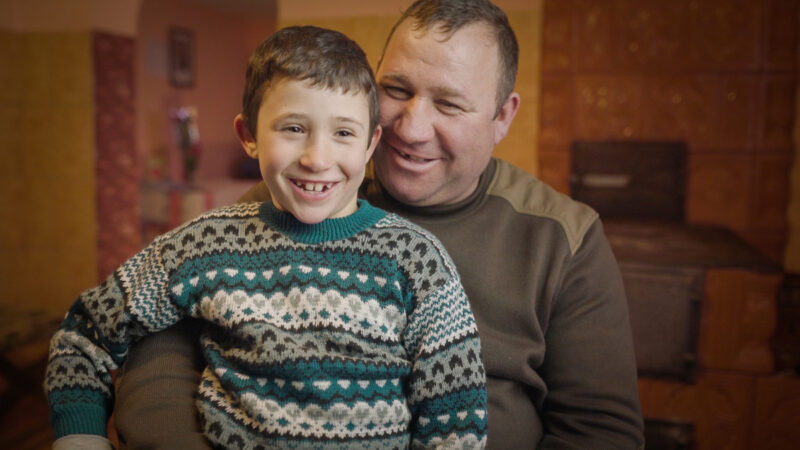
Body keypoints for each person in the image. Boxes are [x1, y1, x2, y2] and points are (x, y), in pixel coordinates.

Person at [115, 0, 646, 448]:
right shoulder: (310, 189)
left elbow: (601, 431)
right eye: (396, 90)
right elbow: (159, 350)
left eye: (450, 104)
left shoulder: (562, 236)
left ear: (502, 116)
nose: (411, 128)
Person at [45, 25, 488, 450]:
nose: (317, 158)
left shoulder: (417, 260)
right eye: (293, 128)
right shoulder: (206, 245)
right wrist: (80, 434)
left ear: (371, 144)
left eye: (343, 133)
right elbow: (85, 332)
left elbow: (457, 420)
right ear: (249, 135)